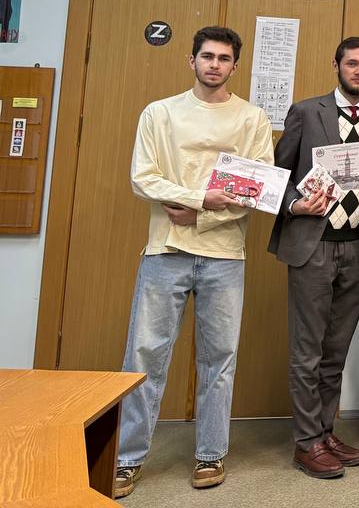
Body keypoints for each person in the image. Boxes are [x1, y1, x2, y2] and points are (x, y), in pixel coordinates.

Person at [113, 27, 274, 499]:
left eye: (223, 58)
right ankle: (127, 459)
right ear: (192, 61)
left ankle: (211, 453)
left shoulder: (252, 118)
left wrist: (201, 214)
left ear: (234, 66)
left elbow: (258, 190)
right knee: (144, 355)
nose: (214, 64)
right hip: (165, 250)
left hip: (224, 255)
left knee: (219, 359)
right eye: (207, 56)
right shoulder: (159, 113)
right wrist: (200, 198)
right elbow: (143, 179)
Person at [268, 37, 359, 479]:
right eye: (352, 63)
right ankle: (306, 441)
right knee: (307, 351)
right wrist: (294, 204)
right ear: (337, 65)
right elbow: (278, 175)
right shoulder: (306, 113)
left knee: (335, 352)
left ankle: (325, 433)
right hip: (314, 245)